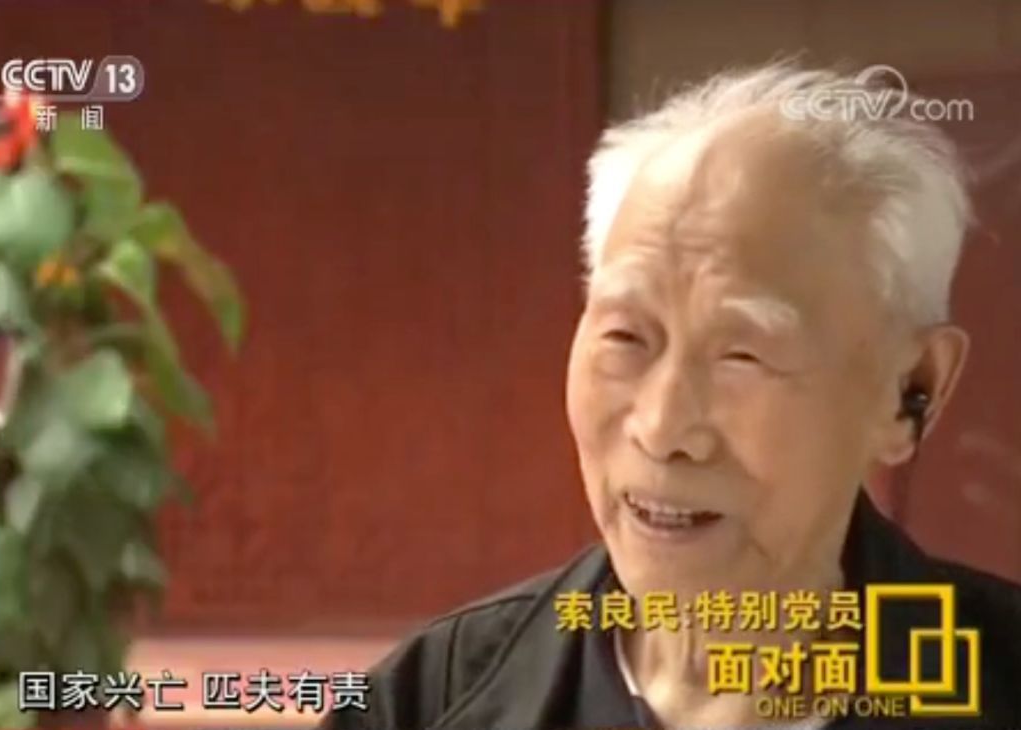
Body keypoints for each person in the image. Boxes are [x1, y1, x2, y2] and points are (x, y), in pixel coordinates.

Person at [321, 63, 1021, 729]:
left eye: (742, 355)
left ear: (909, 391)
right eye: (626, 337)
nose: (661, 429)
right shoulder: (423, 703)